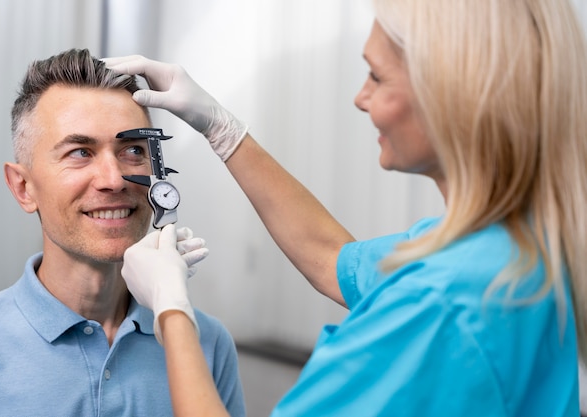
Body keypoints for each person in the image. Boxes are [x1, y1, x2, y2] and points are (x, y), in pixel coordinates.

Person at [106, 0, 587, 415]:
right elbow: (331, 257)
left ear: (455, 96)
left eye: (377, 76)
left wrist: (171, 307)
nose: (360, 98)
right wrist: (222, 128)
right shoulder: (510, 247)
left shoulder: (441, 306)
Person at [0, 48, 246, 417]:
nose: (114, 180)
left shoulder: (206, 343)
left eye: (131, 150)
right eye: (80, 152)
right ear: (23, 187)